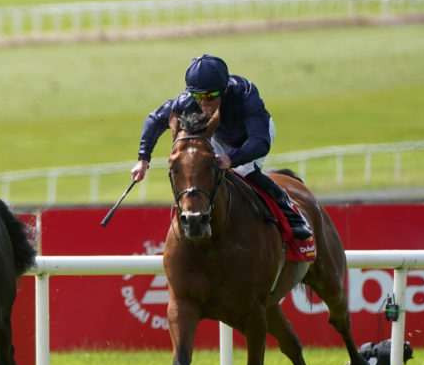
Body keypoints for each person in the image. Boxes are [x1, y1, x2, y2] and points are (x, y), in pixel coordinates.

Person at [131, 54, 312, 240]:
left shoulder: (246, 95)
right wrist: (143, 159)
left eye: (210, 97)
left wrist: (232, 158)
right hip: (219, 135)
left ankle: (290, 213)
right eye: (198, 96)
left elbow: (260, 141)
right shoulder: (187, 100)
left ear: (224, 89)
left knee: (244, 171)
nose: (203, 103)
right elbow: (154, 120)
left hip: (254, 137)